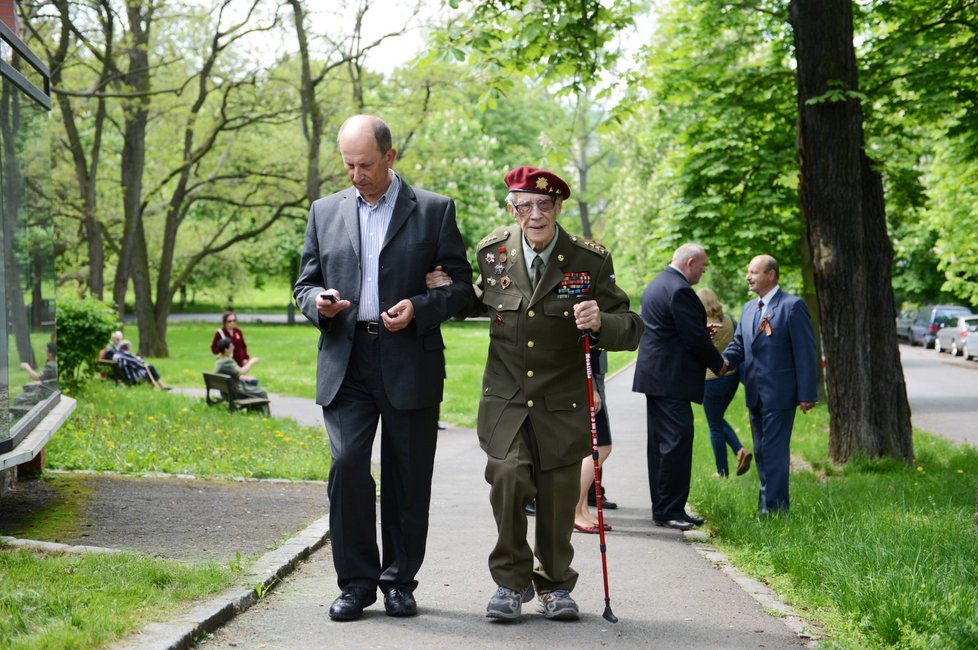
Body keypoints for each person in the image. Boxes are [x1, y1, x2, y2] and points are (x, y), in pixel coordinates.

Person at [293, 114, 472, 622]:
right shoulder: (323, 211)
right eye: (348, 164)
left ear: (390, 158)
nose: (355, 174)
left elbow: (460, 288)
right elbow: (304, 285)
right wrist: (319, 304)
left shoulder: (434, 211)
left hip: (409, 357)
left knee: (407, 475)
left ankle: (399, 582)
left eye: (365, 164)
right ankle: (355, 584)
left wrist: (420, 306)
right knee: (348, 465)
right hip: (346, 359)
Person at [466, 165, 641, 622]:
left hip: (562, 401)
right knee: (506, 478)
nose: (535, 214)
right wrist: (435, 291)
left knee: (559, 495)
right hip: (506, 399)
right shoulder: (493, 253)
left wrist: (602, 322)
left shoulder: (589, 259)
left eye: (545, 205)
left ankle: (555, 583)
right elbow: (472, 299)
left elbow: (632, 327)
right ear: (512, 208)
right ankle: (510, 582)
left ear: (558, 207)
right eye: (525, 205)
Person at [632, 244, 727, 531]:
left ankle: (664, 507)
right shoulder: (681, 289)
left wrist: (699, 330)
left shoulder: (658, 284)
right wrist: (718, 362)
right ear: (689, 262)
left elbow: (676, 329)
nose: (704, 270)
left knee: (661, 446)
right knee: (675, 445)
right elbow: (694, 341)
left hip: (657, 378)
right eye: (703, 265)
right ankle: (670, 510)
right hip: (671, 379)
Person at [722, 255, 818, 513]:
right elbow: (739, 345)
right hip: (755, 393)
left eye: (754, 272)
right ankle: (768, 505)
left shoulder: (792, 306)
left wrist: (807, 393)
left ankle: (774, 510)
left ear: (771, 275)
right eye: (748, 272)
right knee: (761, 452)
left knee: (774, 453)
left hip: (780, 394)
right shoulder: (748, 309)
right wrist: (722, 363)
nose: (748, 277)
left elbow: (806, 353)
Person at [697, 287, 752, 478]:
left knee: (714, 425)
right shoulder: (728, 319)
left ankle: (722, 471)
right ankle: (739, 451)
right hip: (732, 377)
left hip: (711, 380)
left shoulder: (700, 324)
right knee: (718, 419)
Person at [573, 349, 615, 533]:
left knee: (593, 447)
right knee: (601, 447)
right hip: (587, 378)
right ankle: (574, 510)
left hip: (592, 376)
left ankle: (581, 509)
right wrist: (592, 388)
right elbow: (583, 346)